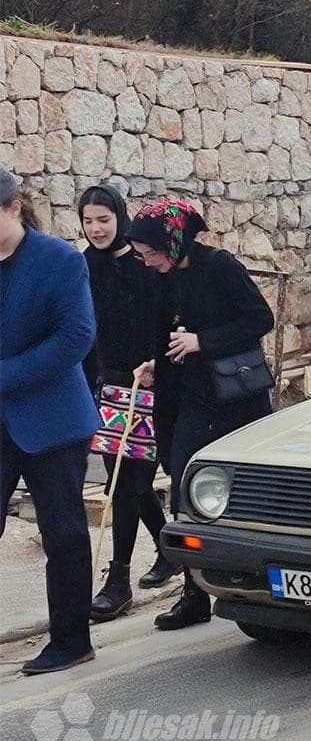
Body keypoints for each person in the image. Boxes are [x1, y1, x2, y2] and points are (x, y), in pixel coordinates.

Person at [129, 199, 275, 630]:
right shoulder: (164, 275)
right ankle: (194, 596)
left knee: (243, 491)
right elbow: (168, 330)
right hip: (185, 397)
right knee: (185, 488)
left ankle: (261, 581)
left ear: (171, 243)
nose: (147, 261)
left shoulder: (220, 267)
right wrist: (156, 363)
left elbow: (258, 319)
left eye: (151, 252)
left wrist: (202, 342)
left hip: (232, 400)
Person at [0, 168, 101, 674]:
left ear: (14, 208)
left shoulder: (59, 260)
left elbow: (75, 338)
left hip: (53, 421)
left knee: (62, 533)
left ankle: (70, 639)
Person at [79, 186, 180, 622]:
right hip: (106, 387)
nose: (96, 228)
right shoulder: (81, 266)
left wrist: (157, 361)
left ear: (119, 216)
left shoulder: (145, 265)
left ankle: (117, 580)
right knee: (127, 479)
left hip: (147, 385)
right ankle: (167, 547)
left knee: (126, 484)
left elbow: (170, 318)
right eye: (88, 220)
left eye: (104, 218)